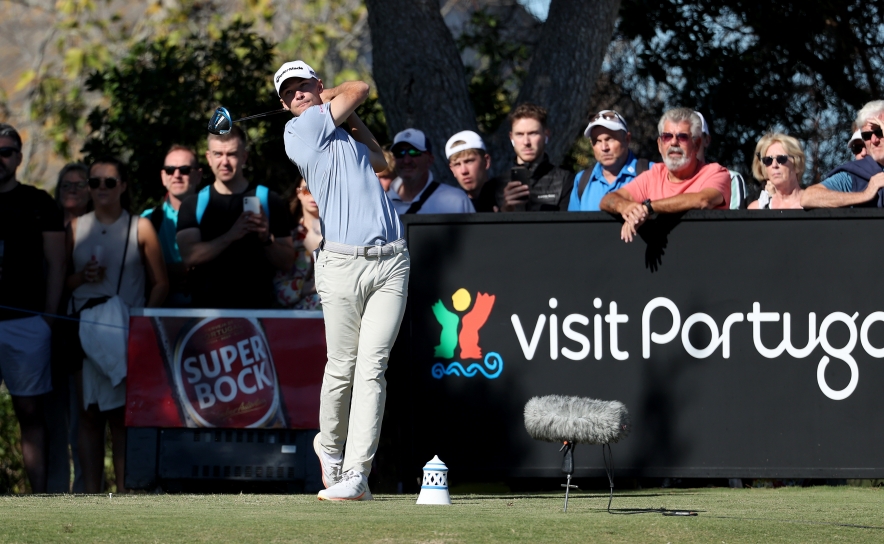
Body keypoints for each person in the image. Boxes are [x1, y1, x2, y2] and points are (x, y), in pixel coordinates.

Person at [276, 60, 409, 501]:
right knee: (341, 368)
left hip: (391, 262)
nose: (296, 94)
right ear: (284, 105)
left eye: (303, 85)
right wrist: (327, 96)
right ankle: (329, 448)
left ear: (316, 84)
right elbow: (360, 86)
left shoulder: (341, 135)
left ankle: (356, 474)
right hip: (340, 266)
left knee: (373, 369)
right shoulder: (298, 132)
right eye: (288, 92)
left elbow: (381, 159)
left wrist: (347, 116)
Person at [66, 157, 168, 493]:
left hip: (124, 334)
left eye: (109, 182)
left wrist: (140, 324)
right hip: (83, 331)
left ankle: (126, 493)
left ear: (123, 185)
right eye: (94, 183)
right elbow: (60, 282)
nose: (101, 189)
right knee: (88, 415)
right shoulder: (76, 228)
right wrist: (82, 277)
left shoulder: (140, 226)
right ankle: (90, 494)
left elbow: (160, 282)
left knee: (121, 417)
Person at [0, 124, 65, 493]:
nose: (0, 158)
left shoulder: (38, 202)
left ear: (19, 157)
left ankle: (37, 497)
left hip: (27, 322)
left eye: (6, 152)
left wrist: (48, 319)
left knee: (29, 413)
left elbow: (56, 264)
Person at [176, 126, 295, 308]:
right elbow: (190, 257)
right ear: (208, 158)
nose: (224, 162)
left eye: (231, 154)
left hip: (259, 314)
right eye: (218, 154)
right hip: (208, 316)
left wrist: (266, 238)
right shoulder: (193, 204)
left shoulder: (269, 200)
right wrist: (231, 235)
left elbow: (287, 263)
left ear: (244, 157)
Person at [600, 108, 731, 242]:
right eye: (667, 137)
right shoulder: (654, 175)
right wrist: (628, 208)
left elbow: (703, 200)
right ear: (660, 144)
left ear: (696, 145)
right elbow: (607, 200)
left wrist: (648, 208)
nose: (674, 143)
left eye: (683, 137)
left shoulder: (715, 173)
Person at [47, 162, 91, 493]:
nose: (71, 190)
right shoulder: (43, 226)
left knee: (82, 418)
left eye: (79, 184)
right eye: (66, 184)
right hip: (44, 329)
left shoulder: (95, 229)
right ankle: (53, 490)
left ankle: (86, 489)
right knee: (51, 417)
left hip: (81, 331)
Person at [141, 145, 202, 307]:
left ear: (198, 175)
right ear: (163, 176)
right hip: (161, 312)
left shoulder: (216, 217)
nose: (177, 175)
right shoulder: (146, 221)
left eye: (184, 169)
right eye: (170, 170)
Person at [801, 100, 884, 209]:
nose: (874, 140)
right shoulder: (858, 173)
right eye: (867, 136)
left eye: (880, 132)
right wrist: (866, 194)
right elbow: (808, 197)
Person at [568, 110, 651, 211]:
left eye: (610, 139)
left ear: (627, 139)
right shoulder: (581, 180)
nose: (604, 147)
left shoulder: (652, 172)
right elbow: (574, 226)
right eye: (597, 141)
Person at [500, 103, 574, 212]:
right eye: (520, 134)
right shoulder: (493, 188)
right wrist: (505, 211)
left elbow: (569, 226)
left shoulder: (566, 181)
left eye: (533, 133)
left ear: (546, 135)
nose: (526, 142)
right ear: (511, 137)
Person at [386, 128, 475, 214]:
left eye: (414, 152)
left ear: (430, 160)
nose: (406, 160)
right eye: (399, 153)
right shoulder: (381, 204)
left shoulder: (456, 201)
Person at [273, 177, 322, 310]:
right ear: (298, 193)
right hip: (298, 322)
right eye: (307, 190)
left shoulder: (345, 237)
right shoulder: (288, 239)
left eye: (320, 189)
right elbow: (279, 291)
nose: (314, 195)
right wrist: (313, 286)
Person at [695, 111, 748, 210]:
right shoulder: (660, 178)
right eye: (680, 137)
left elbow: (738, 224)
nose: (686, 142)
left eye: (694, 136)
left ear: (706, 140)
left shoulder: (731, 178)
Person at [747, 133, 806, 209]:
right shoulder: (757, 209)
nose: (774, 165)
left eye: (781, 159)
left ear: (797, 163)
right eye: (768, 160)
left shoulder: (814, 204)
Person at [445, 130, 498, 212]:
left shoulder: (506, 198)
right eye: (457, 164)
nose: (464, 171)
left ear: (486, 161)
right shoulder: (449, 208)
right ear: (452, 170)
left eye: (469, 161)